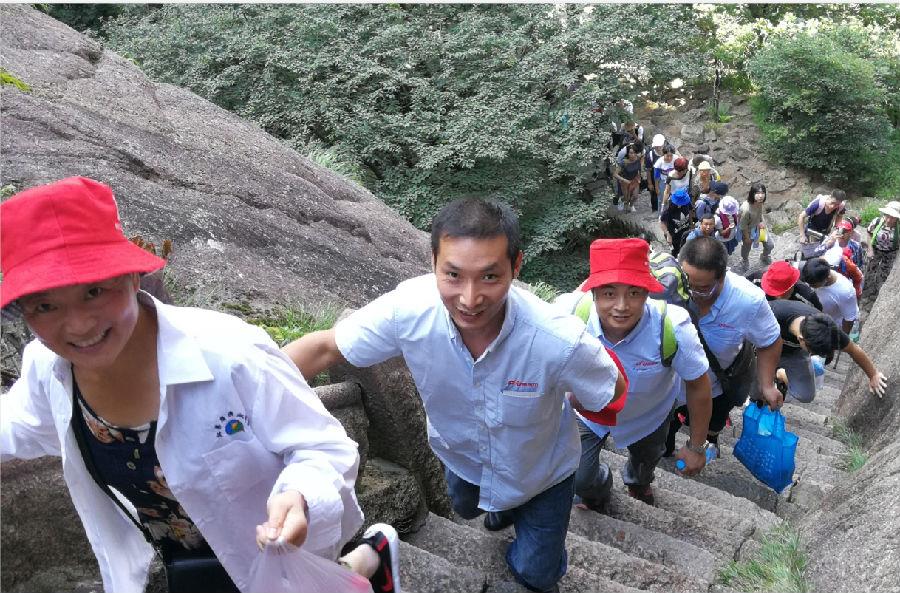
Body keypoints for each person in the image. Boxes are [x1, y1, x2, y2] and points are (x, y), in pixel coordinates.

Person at [0, 178, 402, 593]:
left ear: (132, 278)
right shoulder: (48, 370)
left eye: (94, 291)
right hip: (185, 562)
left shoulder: (231, 353)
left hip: (277, 551)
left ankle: (370, 556)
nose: (79, 325)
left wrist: (299, 493)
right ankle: (370, 558)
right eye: (45, 305)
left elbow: (324, 447)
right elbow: (14, 426)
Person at [281, 198, 626, 593]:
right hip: (462, 457)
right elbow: (324, 348)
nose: (469, 298)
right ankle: (502, 511)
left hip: (541, 474)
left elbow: (610, 387)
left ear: (516, 266)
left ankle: (519, 532)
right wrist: (249, 392)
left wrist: (574, 398)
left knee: (537, 574)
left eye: (489, 277)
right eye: (453, 275)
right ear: (433, 262)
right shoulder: (409, 311)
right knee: (465, 506)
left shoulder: (556, 340)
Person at [555, 239, 712, 509]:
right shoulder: (567, 316)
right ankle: (599, 487)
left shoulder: (672, 326)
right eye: (609, 293)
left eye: (634, 293)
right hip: (587, 415)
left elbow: (698, 384)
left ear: (647, 292)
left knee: (644, 463)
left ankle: (637, 483)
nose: (621, 306)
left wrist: (697, 446)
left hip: (649, 417)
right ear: (593, 293)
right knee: (580, 480)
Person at [666, 237, 783, 458]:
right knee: (666, 432)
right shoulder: (667, 286)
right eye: (687, 283)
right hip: (669, 386)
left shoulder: (747, 301)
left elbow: (769, 340)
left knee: (712, 423)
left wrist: (767, 384)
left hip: (716, 386)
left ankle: (710, 442)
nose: (692, 293)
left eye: (702, 288)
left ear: (721, 278)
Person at [767, 299, 887, 404]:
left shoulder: (827, 330)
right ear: (801, 339)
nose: (813, 354)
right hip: (765, 350)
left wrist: (873, 375)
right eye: (812, 353)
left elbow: (854, 350)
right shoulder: (773, 314)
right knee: (761, 391)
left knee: (805, 395)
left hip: (794, 353)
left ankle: (781, 374)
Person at [801, 257, 858, 335]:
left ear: (827, 278)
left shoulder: (845, 292)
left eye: (813, 285)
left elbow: (849, 319)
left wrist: (842, 337)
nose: (810, 286)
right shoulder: (816, 271)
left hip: (836, 326)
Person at [862, 200, 900, 306]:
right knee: (870, 270)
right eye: (887, 215)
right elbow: (869, 233)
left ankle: (877, 296)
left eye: (892, 217)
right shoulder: (877, 221)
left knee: (884, 274)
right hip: (876, 249)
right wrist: (870, 249)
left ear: (897, 218)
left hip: (890, 252)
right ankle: (865, 294)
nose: (888, 220)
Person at [749, 260, 823, 311]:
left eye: (784, 292)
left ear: (793, 284)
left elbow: (816, 314)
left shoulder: (807, 296)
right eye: (773, 291)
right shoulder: (756, 278)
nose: (778, 297)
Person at [798, 190, 847, 259]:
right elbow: (801, 216)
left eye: (837, 204)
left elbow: (840, 216)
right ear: (830, 197)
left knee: (822, 253)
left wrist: (836, 228)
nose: (833, 206)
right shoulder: (818, 204)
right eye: (832, 202)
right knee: (810, 254)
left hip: (825, 231)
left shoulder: (841, 206)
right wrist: (802, 235)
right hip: (812, 230)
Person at [739, 183, 774, 271]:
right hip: (748, 231)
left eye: (762, 193)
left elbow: (760, 213)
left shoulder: (759, 202)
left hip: (759, 227)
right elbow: (743, 226)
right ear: (752, 194)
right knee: (746, 248)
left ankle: (764, 256)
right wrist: (747, 238)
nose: (760, 196)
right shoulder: (746, 209)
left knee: (770, 245)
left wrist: (761, 221)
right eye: (757, 193)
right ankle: (744, 260)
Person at [659, 187, 694, 258]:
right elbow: (661, 222)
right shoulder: (668, 208)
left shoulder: (687, 202)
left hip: (685, 231)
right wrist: (668, 235)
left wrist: (691, 223)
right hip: (673, 235)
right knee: (676, 252)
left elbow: (690, 211)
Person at [615, 141, 645, 213]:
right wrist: (624, 180)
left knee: (635, 196)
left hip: (634, 180)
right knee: (626, 198)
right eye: (631, 153)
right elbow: (615, 174)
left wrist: (640, 175)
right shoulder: (624, 162)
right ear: (627, 154)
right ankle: (622, 200)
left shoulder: (638, 158)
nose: (633, 155)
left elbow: (640, 166)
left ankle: (631, 205)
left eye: (634, 153)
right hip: (625, 182)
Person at [653, 143, 677, 214]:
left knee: (673, 198)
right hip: (663, 181)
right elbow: (656, 177)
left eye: (671, 156)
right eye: (667, 156)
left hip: (674, 181)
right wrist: (657, 187)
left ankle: (672, 214)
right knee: (662, 199)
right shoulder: (659, 162)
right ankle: (661, 215)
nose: (669, 158)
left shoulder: (676, 158)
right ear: (664, 154)